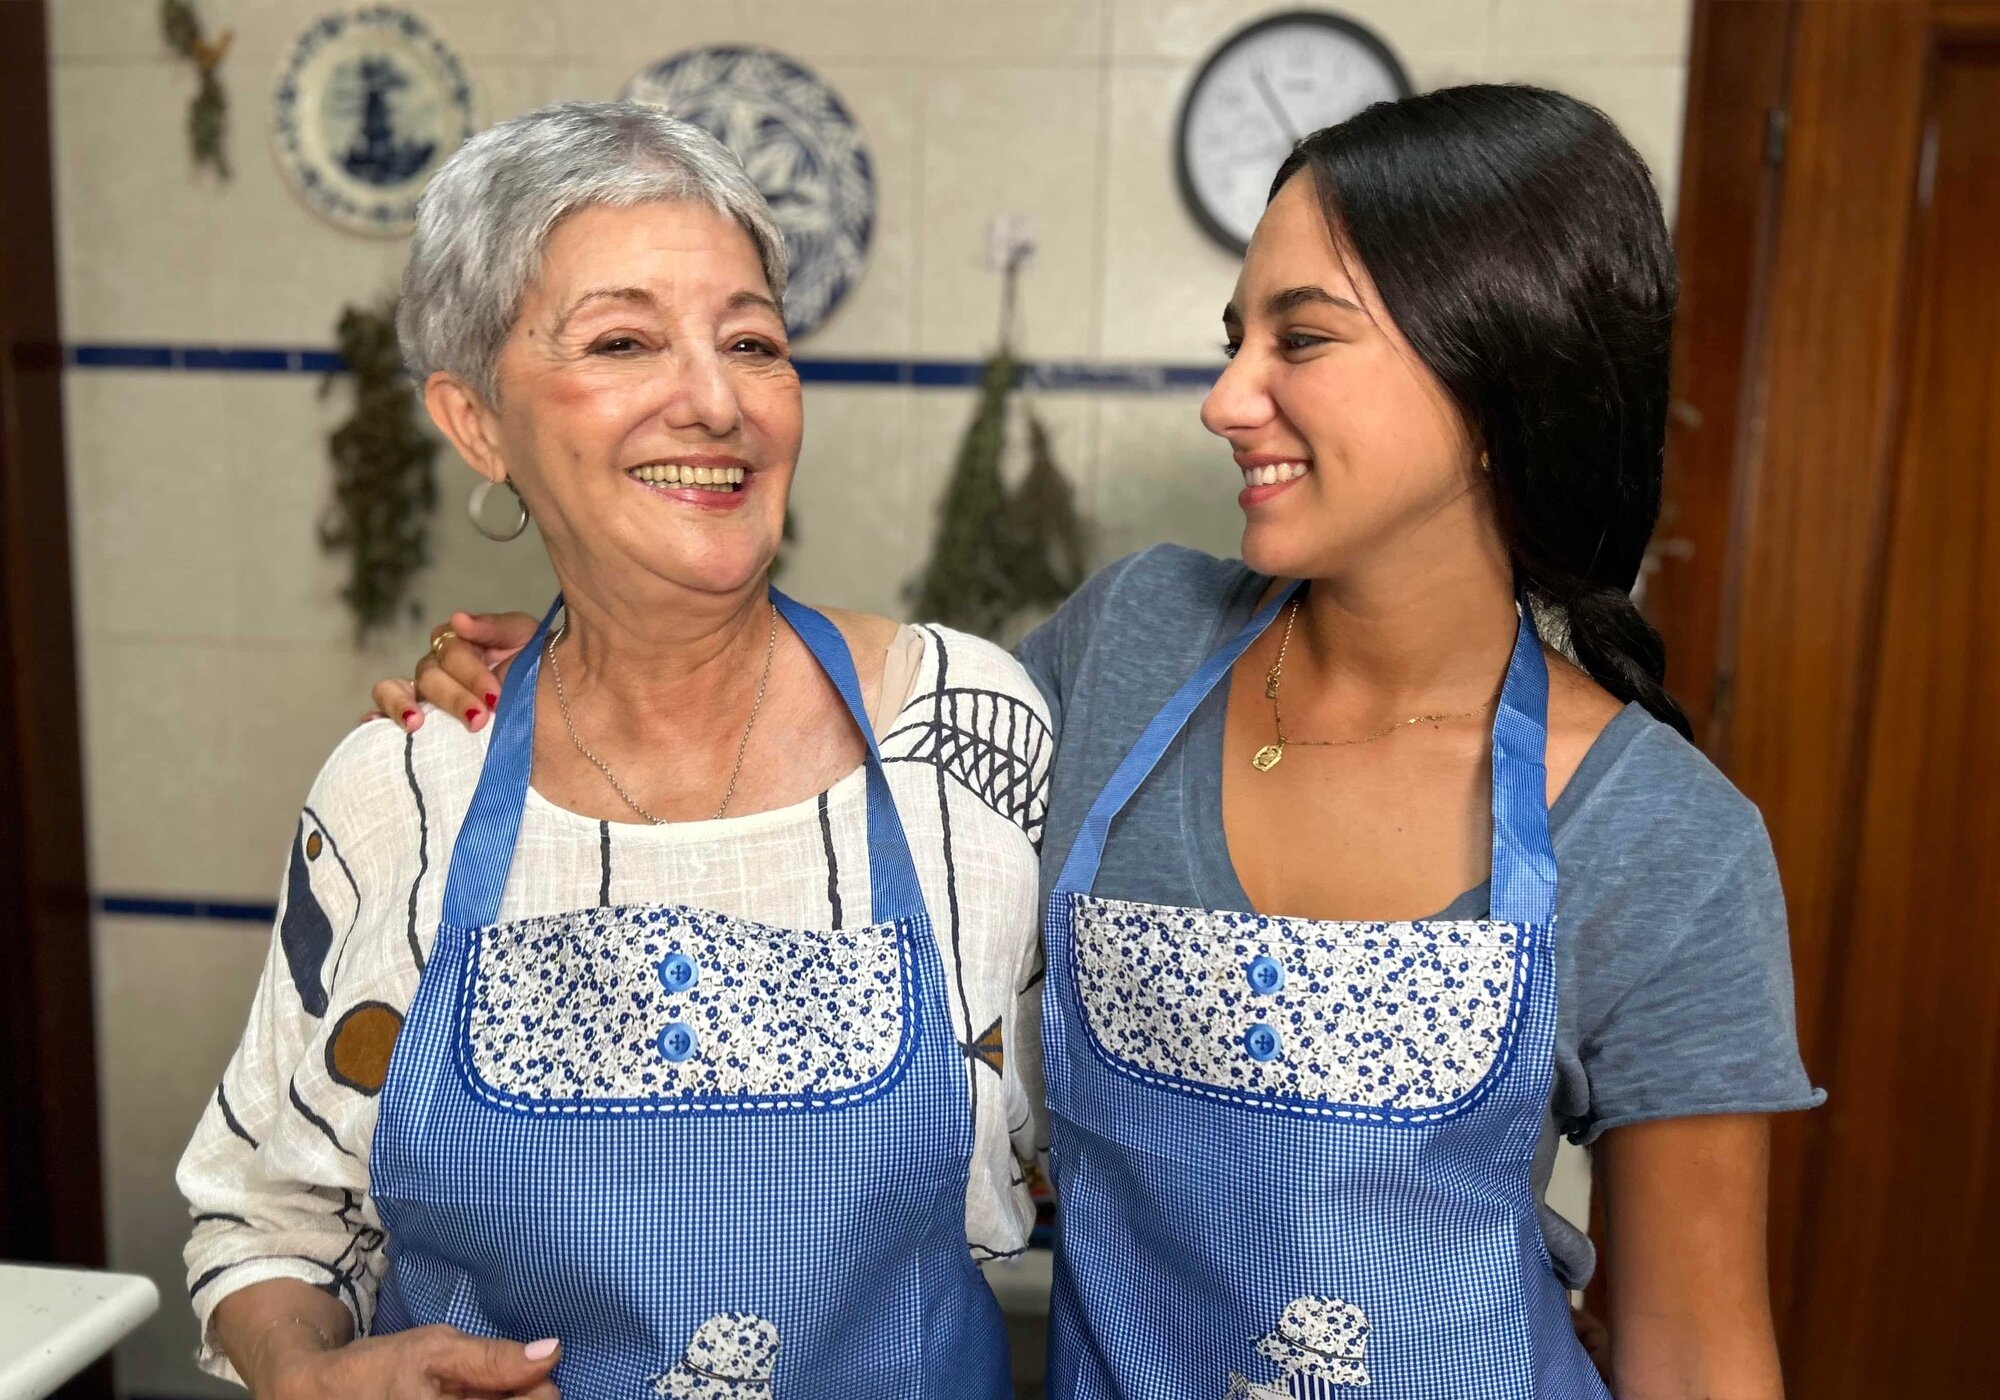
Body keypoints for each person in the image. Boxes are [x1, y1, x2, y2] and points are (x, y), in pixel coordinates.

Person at [392, 86, 1820, 1398]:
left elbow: (1693, 1343)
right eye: (1234, 338)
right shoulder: (1137, 648)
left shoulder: (1665, 838)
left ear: (1500, 382)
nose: (1226, 397)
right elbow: (858, 745)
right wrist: (609, 648)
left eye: (1301, 339)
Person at [179, 102, 1048, 1400]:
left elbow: (1127, 1167)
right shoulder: (406, 791)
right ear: (478, 426)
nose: (713, 401)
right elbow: (265, 1222)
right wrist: (311, 1381)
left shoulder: (970, 744)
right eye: (624, 340)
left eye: (752, 341)